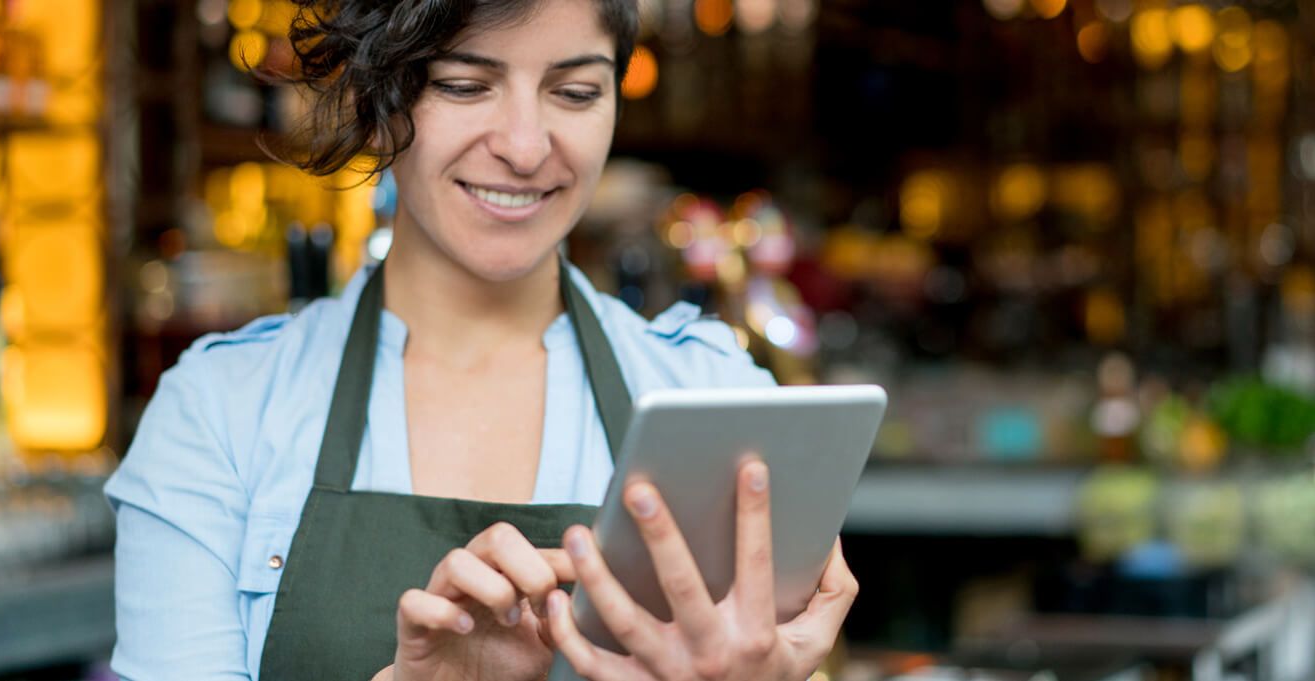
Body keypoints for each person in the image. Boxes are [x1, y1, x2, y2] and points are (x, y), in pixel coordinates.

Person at [104, 0, 859, 679]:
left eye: (575, 91)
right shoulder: (218, 416)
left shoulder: (717, 398)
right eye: (465, 84)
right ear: (378, 96)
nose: (527, 147)